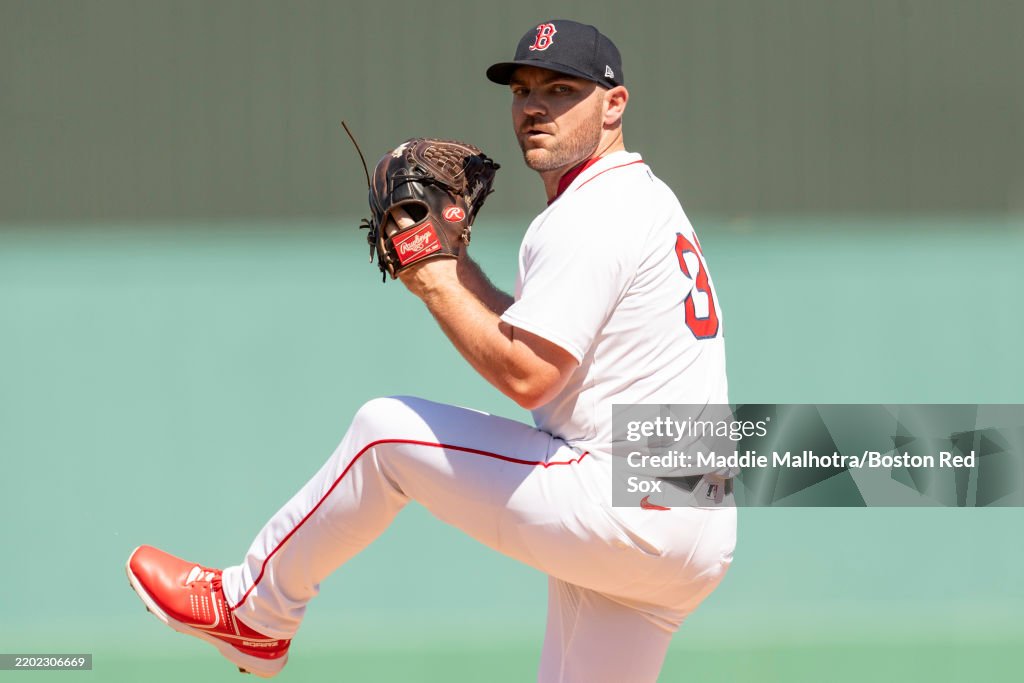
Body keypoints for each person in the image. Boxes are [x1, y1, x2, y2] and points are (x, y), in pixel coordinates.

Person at [126, 19, 735, 682]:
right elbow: (539, 342)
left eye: (562, 89)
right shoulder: (641, 198)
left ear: (614, 103)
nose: (535, 105)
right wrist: (455, 262)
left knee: (383, 437)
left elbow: (531, 376)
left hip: (626, 502)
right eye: (523, 88)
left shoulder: (587, 215)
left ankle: (254, 611)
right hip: (690, 510)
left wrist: (434, 277)